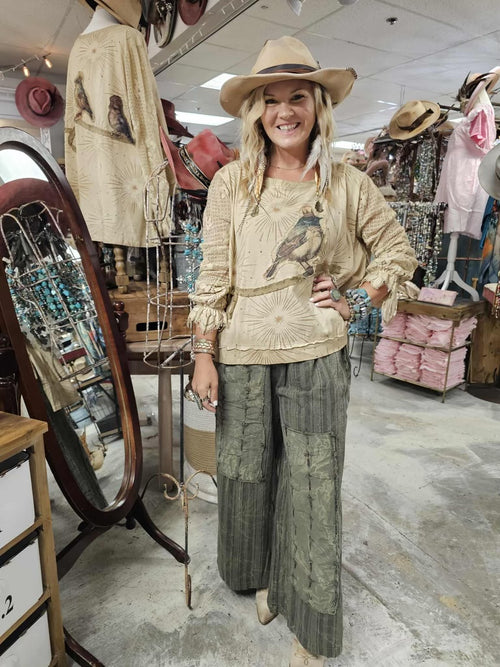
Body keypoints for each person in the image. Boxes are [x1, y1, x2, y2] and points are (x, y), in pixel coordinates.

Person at [187, 36, 417, 666]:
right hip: (242, 353)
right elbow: (213, 274)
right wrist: (203, 352)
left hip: (317, 353)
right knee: (245, 473)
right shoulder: (231, 182)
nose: (284, 111)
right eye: (271, 99)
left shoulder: (347, 184)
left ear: (318, 106)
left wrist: (357, 298)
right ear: (255, 111)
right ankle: (259, 576)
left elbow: (398, 251)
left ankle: (309, 617)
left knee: (312, 482)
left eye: (298, 97)